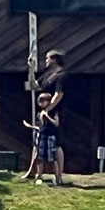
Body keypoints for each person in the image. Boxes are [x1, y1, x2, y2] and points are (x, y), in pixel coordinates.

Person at [24, 50, 67, 185]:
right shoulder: (48, 75)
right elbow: (32, 85)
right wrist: (30, 69)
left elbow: (58, 95)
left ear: (54, 59)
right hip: (43, 112)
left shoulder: (62, 76)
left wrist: (48, 110)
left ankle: (58, 175)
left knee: (57, 145)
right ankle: (35, 172)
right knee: (39, 140)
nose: (46, 61)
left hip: (55, 113)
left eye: (47, 58)